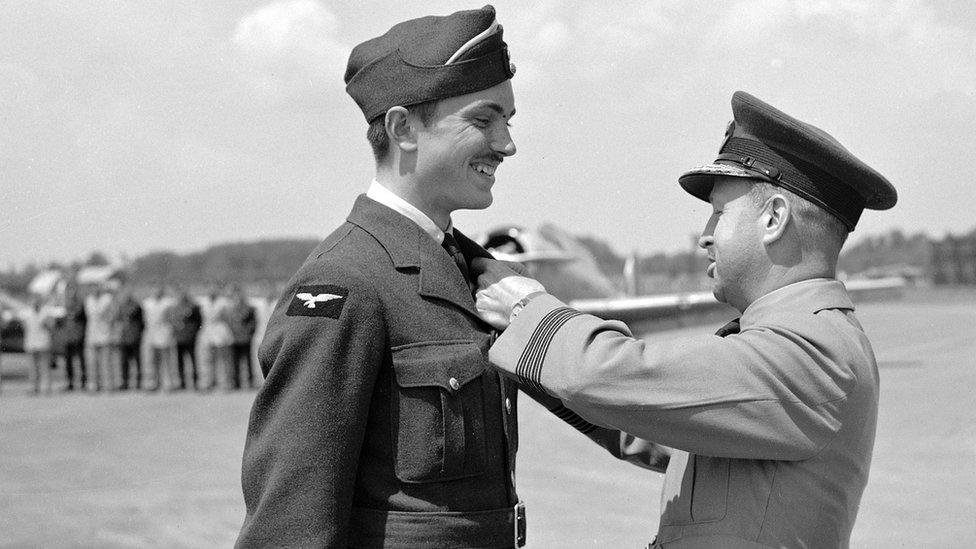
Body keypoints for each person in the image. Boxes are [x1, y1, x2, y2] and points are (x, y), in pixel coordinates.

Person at [235, 7, 664, 547]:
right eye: (483, 121)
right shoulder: (344, 285)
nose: (508, 145)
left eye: (508, 121)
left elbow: (598, 405)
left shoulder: (475, 271)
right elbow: (290, 521)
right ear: (402, 128)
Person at [472, 91, 897, 548]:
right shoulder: (798, 343)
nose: (705, 237)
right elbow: (654, 424)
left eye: (719, 214)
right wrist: (537, 360)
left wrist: (526, 309)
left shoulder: (814, 351)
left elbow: (621, 375)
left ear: (774, 218)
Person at [168, 288, 202, 390]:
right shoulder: (175, 308)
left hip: (190, 337)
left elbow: (198, 322)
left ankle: (195, 381)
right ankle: (182, 382)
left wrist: (193, 333)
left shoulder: (193, 307)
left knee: (193, 360)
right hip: (179, 338)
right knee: (179, 361)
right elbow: (172, 321)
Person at [21, 296, 57, 395]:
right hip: (31, 343)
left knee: (44, 367)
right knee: (32, 368)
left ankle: (46, 387)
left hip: (43, 343)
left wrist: (46, 323)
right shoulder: (27, 312)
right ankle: (33, 387)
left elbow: (52, 326)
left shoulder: (46, 312)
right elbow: (24, 327)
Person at [199, 285, 232, 390]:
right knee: (206, 359)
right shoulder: (202, 302)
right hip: (207, 331)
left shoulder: (223, 302)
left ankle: (223, 383)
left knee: (221, 359)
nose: (211, 290)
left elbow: (228, 317)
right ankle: (207, 382)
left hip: (220, 331)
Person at [142, 285, 174, 391]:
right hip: (150, 332)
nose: (156, 290)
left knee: (165, 359)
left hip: (164, 331)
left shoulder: (168, 303)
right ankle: (151, 383)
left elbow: (172, 318)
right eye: (154, 288)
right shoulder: (146, 303)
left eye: (158, 288)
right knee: (149, 360)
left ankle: (167, 382)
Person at [223, 286, 256, 390]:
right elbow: (228, 323)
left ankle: (250, 382)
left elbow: (253, 323)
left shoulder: (249, 308)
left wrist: (249, 333)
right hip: (234, 338)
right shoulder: (229, 309)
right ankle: (236, 383)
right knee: (234, 362)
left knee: (248, 362)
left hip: (245, 338)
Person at [85, 285, 116, 391]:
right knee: (92, 362)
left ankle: (108, 384)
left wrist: (108, 320)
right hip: (92, 334)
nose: (95, 289)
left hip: (105, 333)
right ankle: (94, 384)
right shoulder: (88, 300)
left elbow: (113, 314)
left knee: (106, 362)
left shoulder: (108, 299)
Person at [114, 287, 144, 391]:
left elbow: (142, 323)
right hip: (124, 338)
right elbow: (117, 321)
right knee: (124, 362)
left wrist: (138, 334)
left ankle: (139, 381)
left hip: (134, 336)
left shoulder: (137, 306)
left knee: (137, 361)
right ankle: (125, 381)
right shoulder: (120, 307)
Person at [61, 286, 87, 391]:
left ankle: (83, 382)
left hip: (78, 336)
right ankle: (70, 382)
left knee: (81, 360)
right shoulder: (65, 307)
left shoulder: (81, 306)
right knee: (68, 362)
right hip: (68, 337)